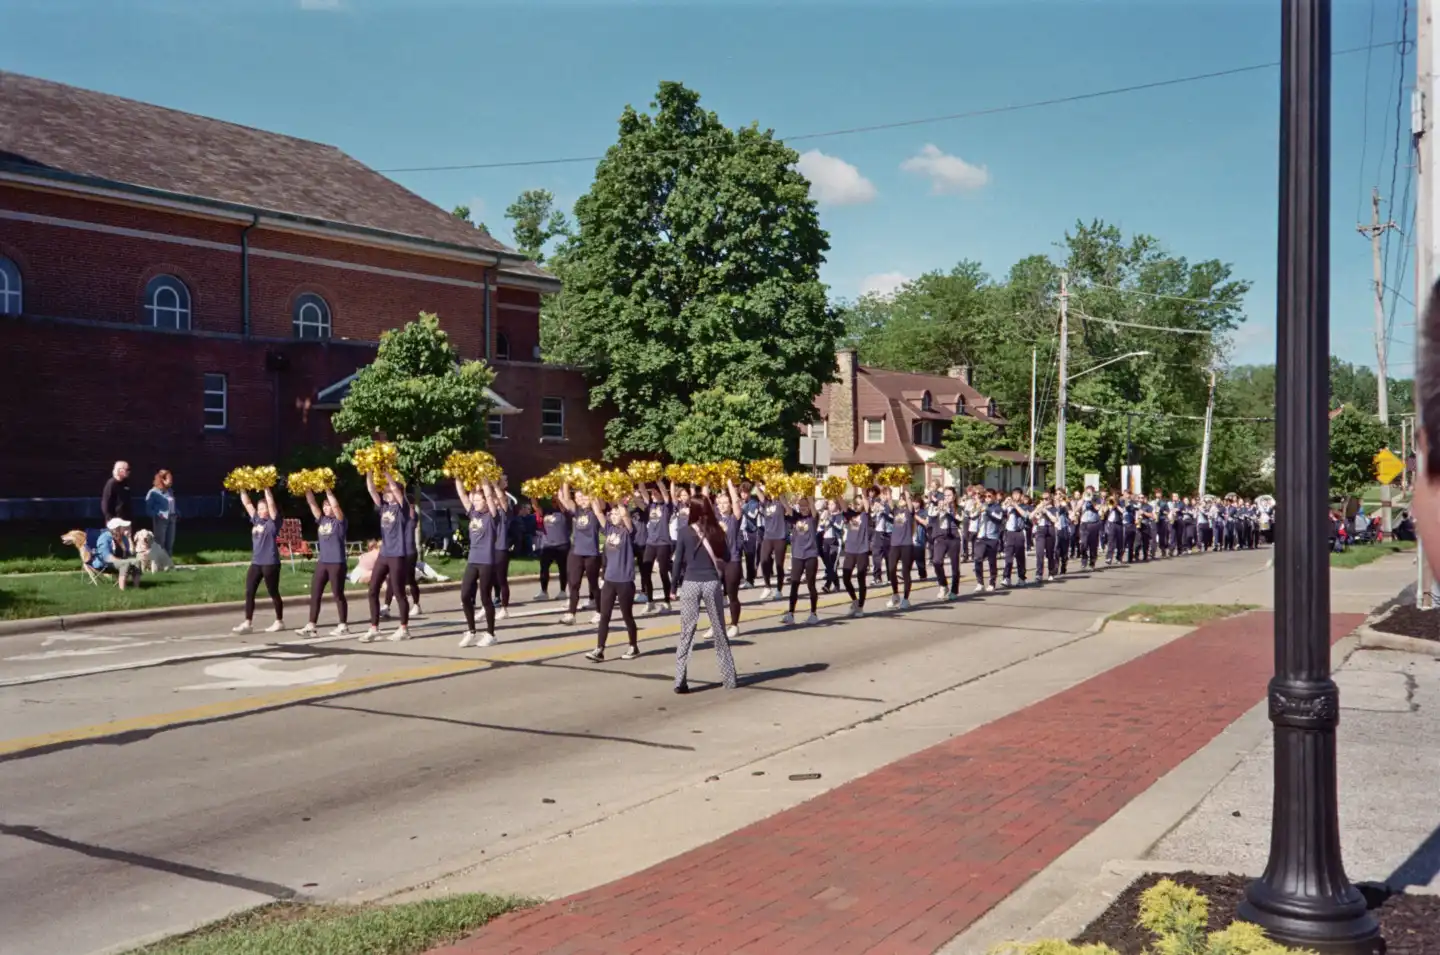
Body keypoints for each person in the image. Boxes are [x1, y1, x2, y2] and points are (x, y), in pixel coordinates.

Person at [671, 495, 737, 694]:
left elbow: (678, 561)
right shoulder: (717, 530)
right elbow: (726, 556)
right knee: (719, 629)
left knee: (687, 632)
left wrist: (673, 587)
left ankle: (680, 680)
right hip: (710, 582)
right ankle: (729, 678)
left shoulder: (683, 532)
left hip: (690, 582)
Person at [585, 495, 640, 662]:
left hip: (625, 581)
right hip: (609, 580)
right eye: (612, 514)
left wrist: (617, 498)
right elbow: (598, 512)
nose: (613, 516)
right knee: (605, 615)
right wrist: (592, 492)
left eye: (616, 514)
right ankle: (599, 649)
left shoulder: (628, 532)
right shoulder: (609, 529)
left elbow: (625, 515)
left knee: (627, 615)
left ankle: (633, 646)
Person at [363, 471, 412, 642]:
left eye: (389, 491)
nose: (386, 493)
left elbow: (397, 491)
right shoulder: (383, 507)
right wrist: (369, 471)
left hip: (397, 554)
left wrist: (386, 473)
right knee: (372, 590)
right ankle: (374, 628)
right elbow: (371, 490)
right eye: (385, 491)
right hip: (384, 554)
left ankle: (404, 628)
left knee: (399, 592)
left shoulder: (402, 508)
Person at [458, 476, 504, 648]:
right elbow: (462, 494)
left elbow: (491, 499)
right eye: (474, 500)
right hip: (473, 560)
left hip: (487, 561)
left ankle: (491, 634)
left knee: (485, 597)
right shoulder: (473, 513)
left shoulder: (492, 516)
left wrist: (485, 479)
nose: (475, 502)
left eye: (479, 500)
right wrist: (458, 474)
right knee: (464, 595)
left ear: (485, 501)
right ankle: (471, 631)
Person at [233, 486, 284, 634]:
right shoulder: (256, 520)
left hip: (271, 563)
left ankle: (279, 621)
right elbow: (247, 504)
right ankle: (248, 623)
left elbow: (272, 504)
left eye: (264, 508)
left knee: (273, 592)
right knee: (249, 591)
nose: (261, 510)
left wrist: (266, 487)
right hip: (256, 562)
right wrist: (240, 487)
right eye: (259, 508)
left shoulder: (273, 523)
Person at [298, 487, 348, 637]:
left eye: (329, 505)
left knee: (337, 594)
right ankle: (311, 625)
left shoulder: (340, 522)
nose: (327, 508)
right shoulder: (322, 519)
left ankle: (343, 625)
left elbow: (336, 507)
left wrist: (328, 490)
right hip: (323, 562)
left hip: (336, 562)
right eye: (325, 506)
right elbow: (312, 504)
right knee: (315, 593)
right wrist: (306, 488)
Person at [558, 481, 602, 625]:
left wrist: (588, 483)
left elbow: (597, 503)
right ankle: (571, 613)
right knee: (574, 583)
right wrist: (566, 480)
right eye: (579, 498)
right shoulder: (577, 511)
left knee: (593, 584)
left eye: (584, 497)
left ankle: (600, 611)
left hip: (591, 553)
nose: (581, 500)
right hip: (576, 551)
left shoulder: (595, 512)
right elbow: (565, 499)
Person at [780, 492, 822, 625]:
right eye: (801, 505)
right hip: (797, 555)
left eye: (806, 505)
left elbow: (814, 510)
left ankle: (813, 613)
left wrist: (809, 494)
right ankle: (791, 614)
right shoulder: (795, 517)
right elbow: (785, 504)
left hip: (810, 555)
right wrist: (780, 492)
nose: (803, 507)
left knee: (811, 585)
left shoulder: (813, 518)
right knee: (794, 583)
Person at [532, 496, 570, 601]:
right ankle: (544, 591)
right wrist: (532, 495)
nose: (554, 502)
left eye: (555, 500)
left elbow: (563, 507)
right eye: (552, 501)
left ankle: (563, 591)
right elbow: (536, 507)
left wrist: (558, 497)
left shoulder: (564, 512)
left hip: (562, 544)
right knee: (544, 569)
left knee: (563, 569)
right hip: (547, 545)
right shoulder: (546, 511)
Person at [92, 517, 140, 589]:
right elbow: (106, 557)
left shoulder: (123, 537)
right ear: (116, 529)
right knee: (124, 563)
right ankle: (122, 590)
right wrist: (122, 561)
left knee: (136, 561)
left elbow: (131, 554)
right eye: (123, 527)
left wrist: (129, 538)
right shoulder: (104, 538)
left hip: (118, 561)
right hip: (105, 564)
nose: (125, 528)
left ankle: (136, 588)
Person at [145, 470, 178, 562]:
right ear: (162, 480)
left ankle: (168, 564)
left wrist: (177, 512)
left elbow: (172, 503)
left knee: (170, 542)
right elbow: (148, 510)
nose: (171, 481)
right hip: (161, 520)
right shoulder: (153, 492)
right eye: (169, 479)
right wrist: (158, 514)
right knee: (160, 543)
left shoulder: (170, 491)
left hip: (172, 518)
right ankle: (158, 563)